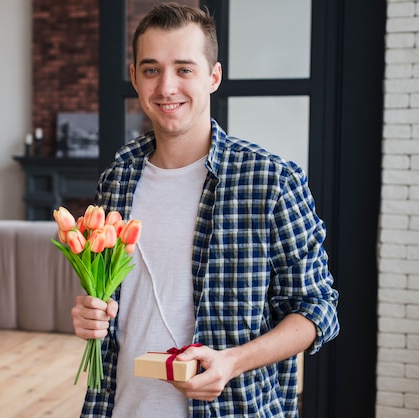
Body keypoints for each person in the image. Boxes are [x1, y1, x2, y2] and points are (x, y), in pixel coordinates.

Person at [71, 3, 340, 417]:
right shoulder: (118, 176)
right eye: (151, 70)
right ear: (134, 78)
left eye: (184, 69)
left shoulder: (270, 180)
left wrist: (233, 361)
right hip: (121, 406)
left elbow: (317, 308)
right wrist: (92, 313)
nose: (166, 87)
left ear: (213, 76)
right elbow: (120, 299)